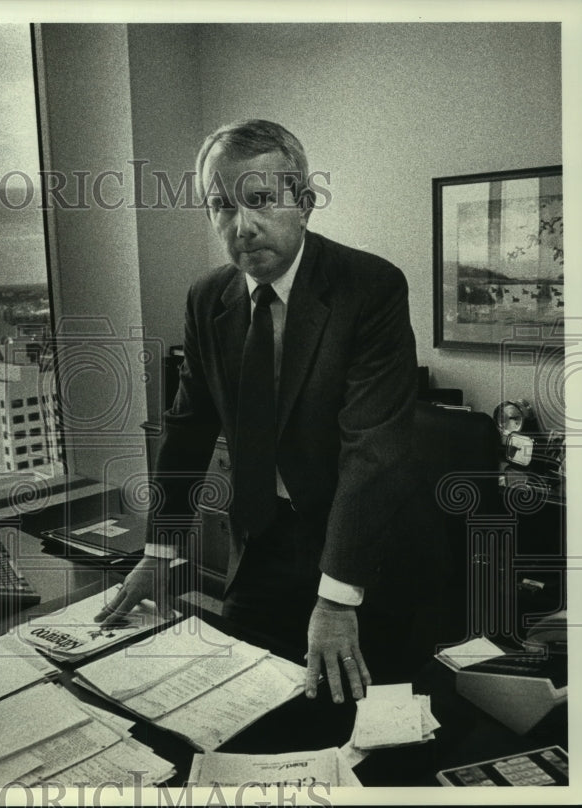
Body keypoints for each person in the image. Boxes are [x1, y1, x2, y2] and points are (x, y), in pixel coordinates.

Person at [96, 119, 445, 703]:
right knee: (239, 705)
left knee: (355, 718)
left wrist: (336, 601)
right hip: (261, 542)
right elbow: (187, 428)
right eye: (222, 206)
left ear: (303, 204)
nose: (242, 226)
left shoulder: (370, 287)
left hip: (361, 553)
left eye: (260, 200)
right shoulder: (207, 298)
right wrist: (159, 552)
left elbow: (372, 451)